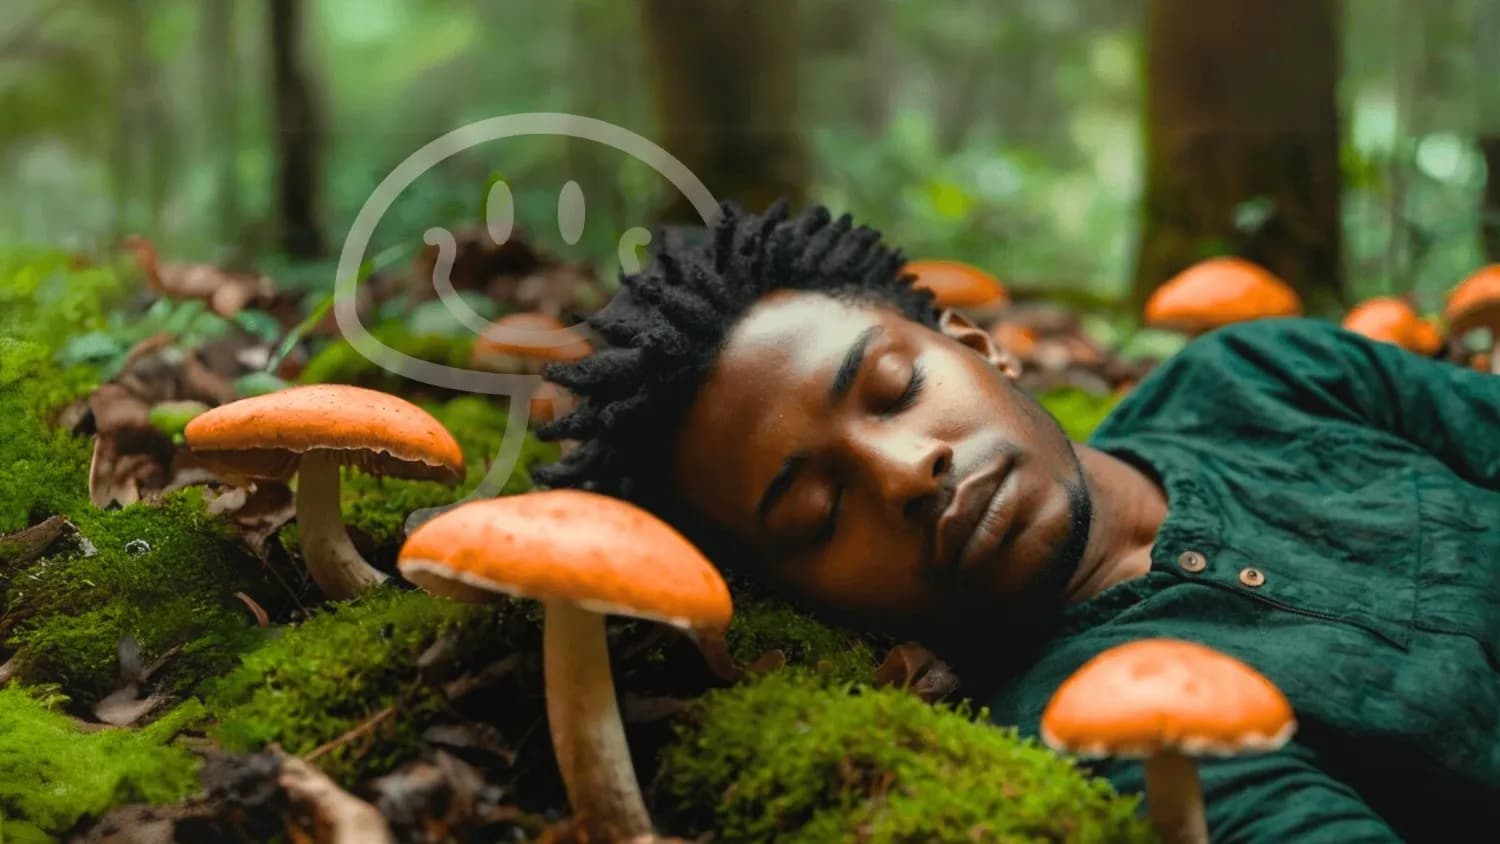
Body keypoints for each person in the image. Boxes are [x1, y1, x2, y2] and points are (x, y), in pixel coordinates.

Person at [533, 200, 1500, 842]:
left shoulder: (1266, 376)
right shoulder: (1100, 747)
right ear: (796, 596)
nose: (909, 473)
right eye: (819, 513)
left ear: (977, 342)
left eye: (895, 388)